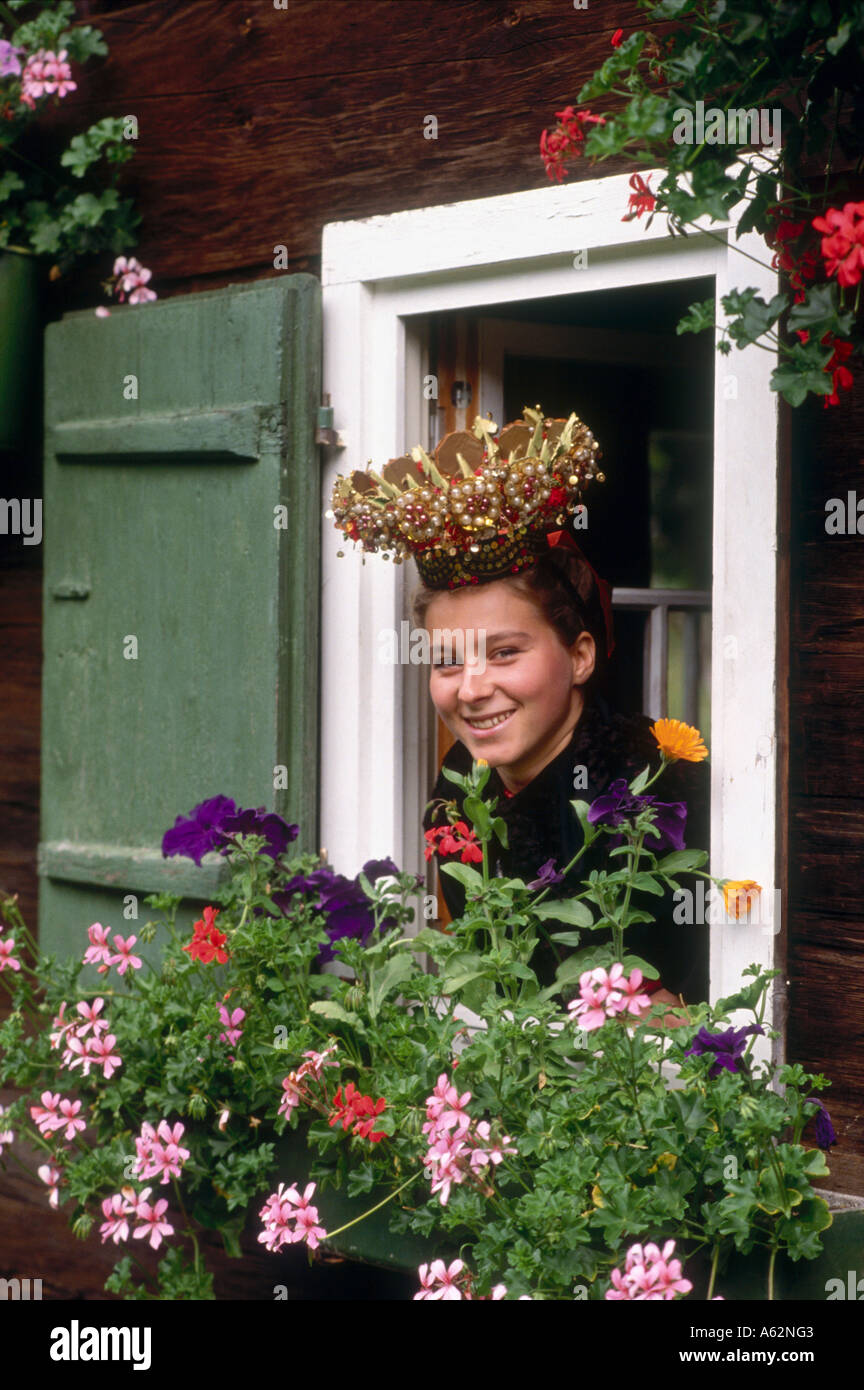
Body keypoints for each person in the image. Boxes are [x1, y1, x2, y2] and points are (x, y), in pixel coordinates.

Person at [330, 406, 709, 1019]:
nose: (472, 689)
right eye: (448, 662)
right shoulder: (457, 790)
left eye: (504, 652)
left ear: (580, 656)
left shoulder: (659, 787)